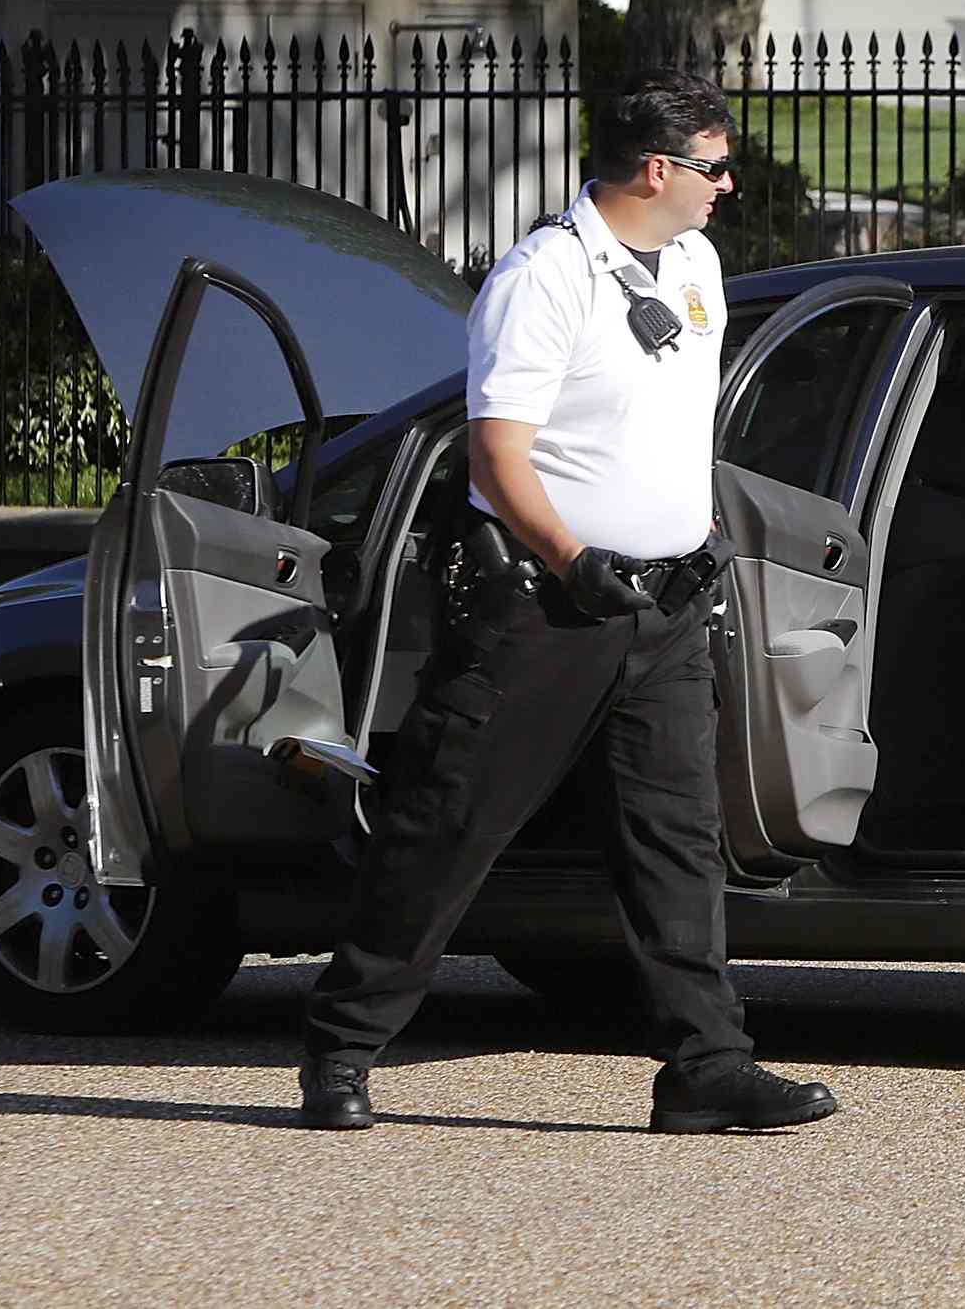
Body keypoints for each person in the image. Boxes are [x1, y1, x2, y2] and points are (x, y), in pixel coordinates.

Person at [297, 70, 838, 1136]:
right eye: (714, 168)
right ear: (656, 169)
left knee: (675, 839)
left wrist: (694, 532)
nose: (727, 186)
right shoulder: (545, 276)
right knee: (449, 823)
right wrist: (573, 557)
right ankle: (342, 1047)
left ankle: (705, 1068)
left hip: (666, 607)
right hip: (549, 604)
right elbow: (497, 457)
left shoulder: (694, 262)